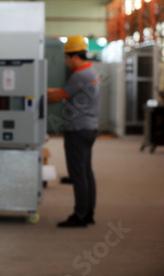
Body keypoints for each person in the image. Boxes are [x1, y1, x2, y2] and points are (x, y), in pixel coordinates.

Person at [47, 35, 100, 228]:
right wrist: (44, 90)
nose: (66, 62)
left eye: (66, 58)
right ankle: (88, 213)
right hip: (89, 128)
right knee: (86, 171)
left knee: (78, 174)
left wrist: (32, 96)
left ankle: (79, 215)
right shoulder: (90, 72)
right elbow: (62, 91)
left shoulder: (80, 75)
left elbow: (58, 96)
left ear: (74, 57)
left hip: (78, 130)